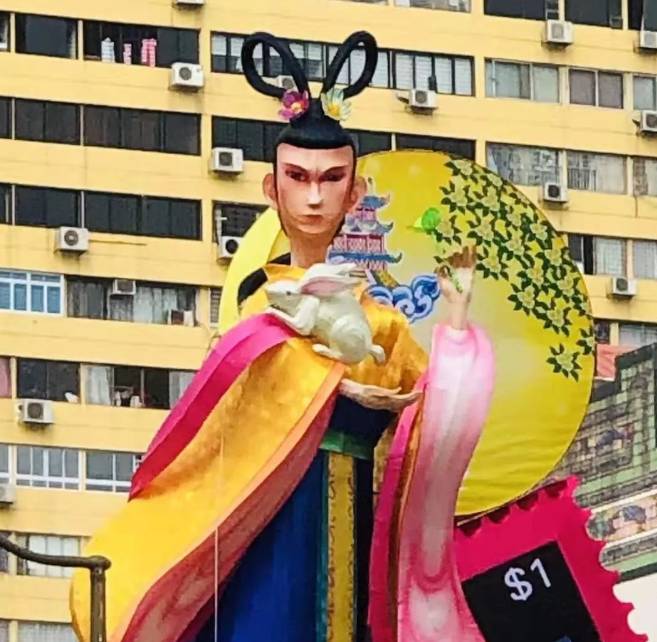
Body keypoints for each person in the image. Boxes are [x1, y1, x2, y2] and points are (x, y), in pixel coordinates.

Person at [70, 31, 484, 642]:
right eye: (298, 177)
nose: (314, 197)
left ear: (355, 192)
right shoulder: (258, 311)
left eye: (331, 179)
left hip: (350, 520)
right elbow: (214, 434)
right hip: (261, 524)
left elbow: (432, 418)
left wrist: (456, 326)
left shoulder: (383, 323)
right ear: (272, 189)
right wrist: (330, 390)